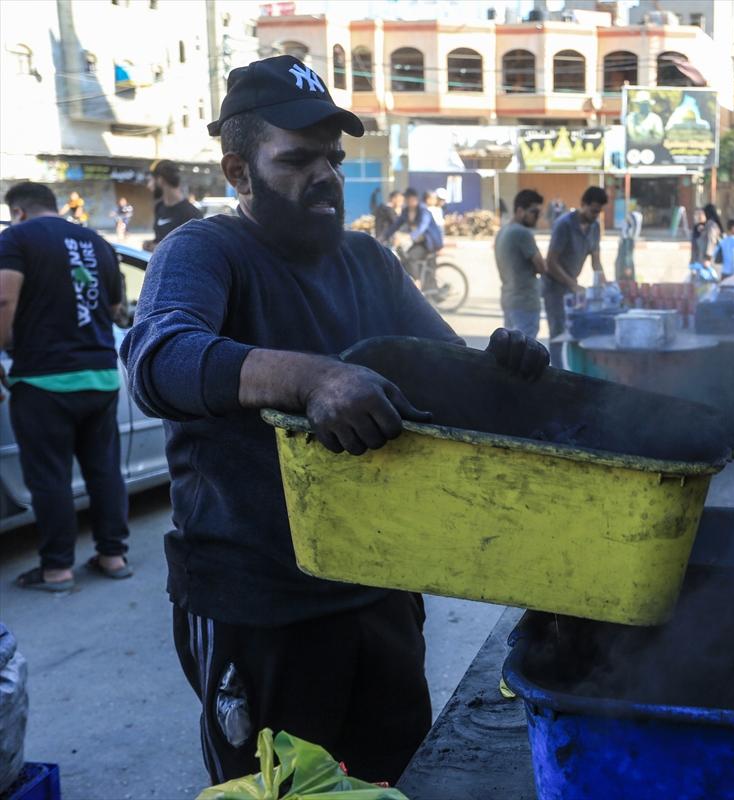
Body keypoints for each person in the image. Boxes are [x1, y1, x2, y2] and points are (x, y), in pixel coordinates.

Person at [120, 55, 548, 785]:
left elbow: (447, 374)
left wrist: (501, 369)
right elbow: (157, 360)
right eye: (296, 160)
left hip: (380, 591)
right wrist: (312, 378)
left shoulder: (368, 261)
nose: (325, 175)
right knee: (280, 790)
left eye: (333, 158)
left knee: (392, 778)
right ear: (239, 172)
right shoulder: (205, 250)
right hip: (257, 605)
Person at [0, 182, 130, 592]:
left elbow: (3, 301)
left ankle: (57, 569)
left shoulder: (16, 238)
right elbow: (115, 309)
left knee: (50, 476)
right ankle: (113, 556)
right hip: (101, 377)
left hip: (43, 380)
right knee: (104, 470)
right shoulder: (98, 243)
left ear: (18, 211)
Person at [544, 186, 607, 368]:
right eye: (593, 211)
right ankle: (557, 374)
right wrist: (572, 284)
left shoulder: (595, 227)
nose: (595, 215)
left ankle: (573, 371)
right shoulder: (564, 224)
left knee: (576, 331)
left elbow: (596, 261)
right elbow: (551, 262)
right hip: (554, 287)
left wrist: (605, 285)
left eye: (599, 212)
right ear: (583, 204)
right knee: (557, 334)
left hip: (572, 285)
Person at [495, 189, 546, 340]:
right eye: (534, 212)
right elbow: (542, 267)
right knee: (525, 348)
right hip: (525, 302)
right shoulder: (523, 233)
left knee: (510, 347)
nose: (537, 216)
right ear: (520, 210)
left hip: (509, 299)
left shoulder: (502, 231)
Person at [383, 187, 444, 277]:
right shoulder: (406, 211)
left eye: (411, 198)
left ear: (416, 198)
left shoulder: (423, 211)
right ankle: (411, 277)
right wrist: (384, 236)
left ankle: (416, 281)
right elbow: (396, 225)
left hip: (429, 243)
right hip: (418, 242)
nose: (409, 201)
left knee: (410, 257)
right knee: (401, 254)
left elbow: (422, 227)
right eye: (407, 199)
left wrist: (408, 237)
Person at [145, 160, 203, 252]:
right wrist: (151, 244)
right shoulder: (159, 207)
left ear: (161, 180)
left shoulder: (192, 214)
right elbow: (160, 239)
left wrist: (160, 248)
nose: (148, 186)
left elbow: (193, 249)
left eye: (150, 180)